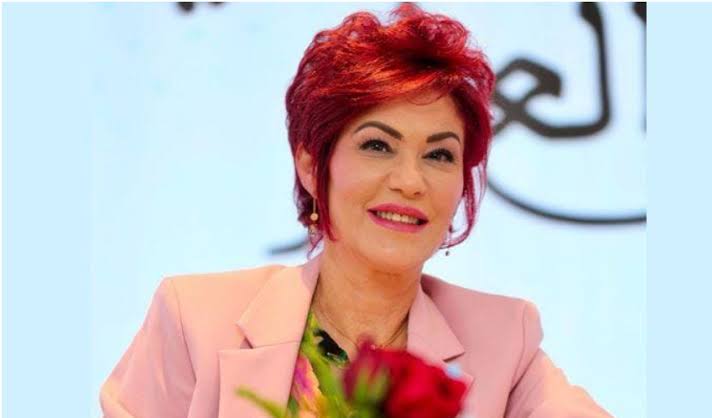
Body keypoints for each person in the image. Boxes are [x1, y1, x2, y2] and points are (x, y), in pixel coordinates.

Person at [100, 3, 612, 418]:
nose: (410, 181)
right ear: (311, 165)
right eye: (377, 146)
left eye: (439, 155)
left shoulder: (503, 337)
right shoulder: (196, 318)